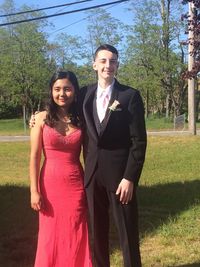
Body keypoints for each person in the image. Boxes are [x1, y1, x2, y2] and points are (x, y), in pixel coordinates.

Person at [79, 44, 147, 267]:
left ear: (117, 64)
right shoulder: (84, 95)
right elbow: (61, 110)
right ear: (94, 65)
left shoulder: (129, 96)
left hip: (120, 179)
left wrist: (130, 178)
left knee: (127, 234)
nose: (109, 65)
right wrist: (38, 116)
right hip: (92, 175)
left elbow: (139, 142)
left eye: (113, 61)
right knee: (96, 235)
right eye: (104, 60)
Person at [29, 70, 92, 267]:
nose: (62, 94)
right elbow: (34, 157)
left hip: (75, 186)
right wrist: (34, 191)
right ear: (51, 91)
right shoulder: (41, 118)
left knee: (76, 234)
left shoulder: (83, 118)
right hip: (49, 186)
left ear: (75, 91)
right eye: (57, 89)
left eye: (67, 89)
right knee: (50, 237)